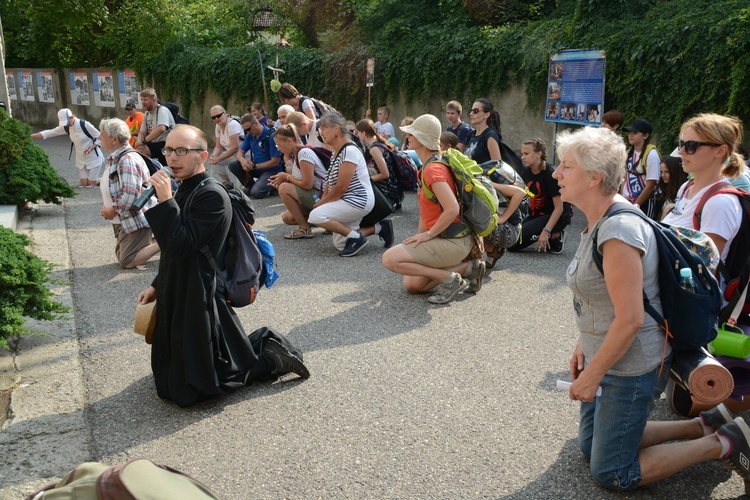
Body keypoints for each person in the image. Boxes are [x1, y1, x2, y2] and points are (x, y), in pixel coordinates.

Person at [553, 124, 750, 492]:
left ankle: (725, 442)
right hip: (611, 354)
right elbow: (603, 298)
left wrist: (594, 373)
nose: (555, 173)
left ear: (595, 178)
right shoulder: (599, 218)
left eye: (566, 166)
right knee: (588, 446)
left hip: (632, 364)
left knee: (612, 471)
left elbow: (630, 319)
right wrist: (585, 341)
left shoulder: (618, 231)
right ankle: (702, 425)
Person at [136, 124, 309, 407]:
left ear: (202, 157)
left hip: (199, 290)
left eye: (182, 151)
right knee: (172, 384)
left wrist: (165, 200)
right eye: (168, 150)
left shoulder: (211, 195)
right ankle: (250, 354)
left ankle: (269, 354)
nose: (172, 158)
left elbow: (181, 245)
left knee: (201, 388)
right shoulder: (185, 188)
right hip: (178, 285)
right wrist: (156, 285)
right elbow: (170, 251)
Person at [382, 114, 485, 304]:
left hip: (453, 241)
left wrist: (427, 236)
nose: (408, 137)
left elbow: (452, 209)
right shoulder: (431, 164)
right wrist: (417, 240)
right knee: (413, 285)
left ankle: (449, 279)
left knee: (389, 259)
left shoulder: (432, 170)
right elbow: (427, 212)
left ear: (422, 139)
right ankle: (470, 268)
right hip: (451, 239)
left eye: (412, 134)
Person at [662, 113, 744, 266]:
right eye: (681, 144)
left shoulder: (720, 203)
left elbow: (705, 269)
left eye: (691, 145)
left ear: (719, 151)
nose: (681, 151)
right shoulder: (686, 187)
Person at [307, 113, 374, 257]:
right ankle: (380, 228)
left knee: (315, 216)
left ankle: (357, 238)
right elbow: (331, 181)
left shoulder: (349, 150)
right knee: (340, 244)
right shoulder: (336, 152)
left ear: (336, 129)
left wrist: (322, 204)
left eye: (323, 129)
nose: (320, 133)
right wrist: (323, 199)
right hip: (347, 200)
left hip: (358, 200)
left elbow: (341, 187)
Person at [97, 118, 160, 268]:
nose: (99, 137)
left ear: (114, 139)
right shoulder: (116, 157)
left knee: (127, 260)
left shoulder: (126, 159)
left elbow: (131, 195)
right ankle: (156, 238)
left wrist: (112, 210)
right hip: (123, 218)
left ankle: (165, 242)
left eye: (102, 135)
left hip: (133, 218)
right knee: (122, 255)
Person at [267, 124, 328, 239]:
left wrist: (287, 178)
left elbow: (307, 184)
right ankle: (325, 222)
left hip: (324, 197)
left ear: (289, 141)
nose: (278, 148)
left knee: (284, 188)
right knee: (287, 218)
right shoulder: (297, 154)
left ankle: (305, 228)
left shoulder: (304, 153)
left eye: (279, 145)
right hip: (317, 195)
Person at [509, 138, 567, 253]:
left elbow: (559, 208)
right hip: (536, 215)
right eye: (522, 154)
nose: (522, 157)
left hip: (554, 216)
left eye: (526, 153)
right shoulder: (526, 172)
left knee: (518, 239)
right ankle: (538, 233)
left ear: (538, 154)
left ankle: (556, 235)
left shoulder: (550, 174)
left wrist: (546, 230)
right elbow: (526, 194)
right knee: (510, 242)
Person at [31, 108, 102, 187]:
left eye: (67, 122)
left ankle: (103, 180)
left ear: (71, 117)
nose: (66, 124)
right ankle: (97, 180)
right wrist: (32, 136)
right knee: (84, 184)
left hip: (93, 157)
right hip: (81, 159)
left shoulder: (84, 124)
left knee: (91, 185)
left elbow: (100, 137)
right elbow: (49, 133)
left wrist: (91, 148)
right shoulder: (66, 127)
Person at [228, 114, 283, 199]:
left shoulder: (271, 136)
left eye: (248, 129)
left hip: (271, 171)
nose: (247, 132)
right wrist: (244, 161)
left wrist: (254, 166)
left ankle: (274, 186)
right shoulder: (250, 136)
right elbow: (240, 152)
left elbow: (275, 162)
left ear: (256, 123)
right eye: (245, 130)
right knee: (233, 164)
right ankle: (250, 186)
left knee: (256, 193)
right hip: (256, 168)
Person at [621, 118, 661, 216]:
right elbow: (625, 177)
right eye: (630, 132)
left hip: (645, 203)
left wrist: (637, 205)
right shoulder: (629, 152)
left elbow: (651, 185)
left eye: (635, 132)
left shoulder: (652, 154)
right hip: (628, 200)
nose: (630, 135)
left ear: (645, 136)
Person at [134, 88, 174, 166]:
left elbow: (161, 129)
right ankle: (149, 173)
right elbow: (142, 132)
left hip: (166, 144)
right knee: (139, 149)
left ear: (154, 100)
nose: (143, 102)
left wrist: (143, 141)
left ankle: (146, 173)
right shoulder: (147, 114)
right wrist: (139, 142)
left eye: (145, 99)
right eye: (141, 99)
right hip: (156, 144)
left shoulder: (162, 110)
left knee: (140, 151)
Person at [207, 105, 243, 189]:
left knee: (241, 189)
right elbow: (218, 146)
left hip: (243, 156)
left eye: (218, 115)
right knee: (214, 161)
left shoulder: (232, 124)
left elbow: (235, 148)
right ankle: (227, 183)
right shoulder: (218, 126)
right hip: (233, 156)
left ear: (225, 113)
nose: (216, 119)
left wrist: (219, 158)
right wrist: (214, 156)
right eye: (213, 117)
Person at [464, 98, 502, 164]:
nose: (471, 114)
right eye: (471, 110)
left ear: (486, 115)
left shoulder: (490, 136)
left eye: (475, 111)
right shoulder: (471, 134)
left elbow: (497, 165)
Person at [653, 155, 687, 220]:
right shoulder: (662, 192)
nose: (663, 175)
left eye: (666, 172)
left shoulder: (683, 191)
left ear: (675, 172)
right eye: (661, 172)